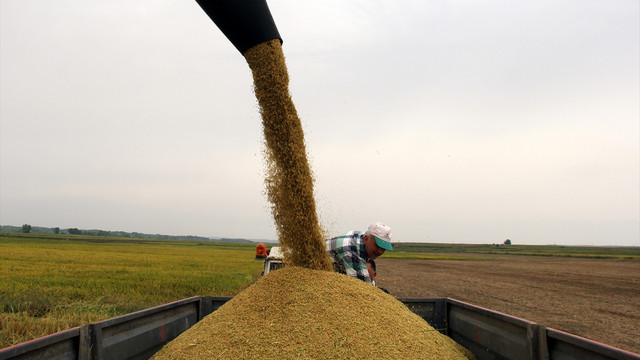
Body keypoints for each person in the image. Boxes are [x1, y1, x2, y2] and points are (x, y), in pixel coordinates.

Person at [325, 222, 393, 284]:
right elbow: (363, 287)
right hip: (318, 268)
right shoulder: (352, 254)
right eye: (377, 246)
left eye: (383, 248)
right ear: (366, 239)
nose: (380, 251)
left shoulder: (360, 236)